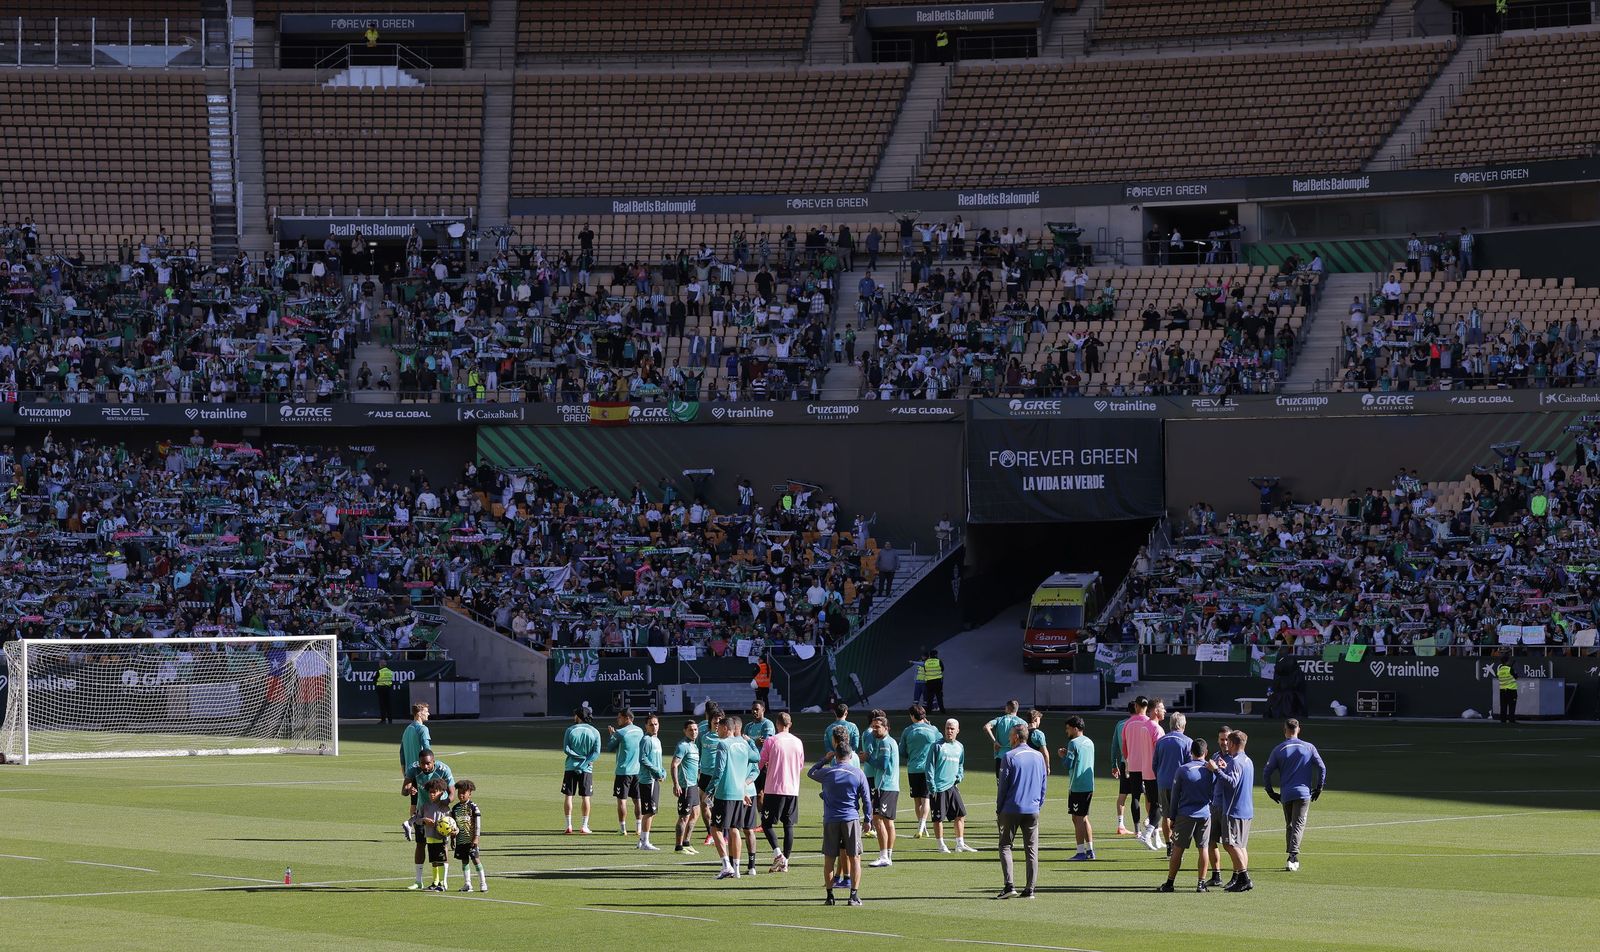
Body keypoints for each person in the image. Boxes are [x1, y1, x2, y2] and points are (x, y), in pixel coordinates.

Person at [809, 728, 872, 907]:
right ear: (850, 755)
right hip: (851, 819)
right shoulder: (858, 773)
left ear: (835, 756)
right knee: (855, 857)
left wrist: (824, 759)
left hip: (831, 819)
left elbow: (811, 772)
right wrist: (868, 819)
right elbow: (867, 799)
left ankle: (830, 897)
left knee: (829, 859)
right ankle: (853, 896)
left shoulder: (828, 772)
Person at [1262, 718, 1327, 873]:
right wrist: (1319, 787)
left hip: (1286, 794)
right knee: (1298, 824)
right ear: (1299, 729)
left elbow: (1266, 772)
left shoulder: (1279, 749)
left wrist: (1270, 791)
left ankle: (1291, 855)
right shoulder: (1309, 747)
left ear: (1285, 730)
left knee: (1290, 824)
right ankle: (1293, 856)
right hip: (1304, 793)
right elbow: (1322, 767)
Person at [995, 723, 1046, 899]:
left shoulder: (1009, 756)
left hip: (1011, 808)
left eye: (1010, 735)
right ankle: (1030, 889)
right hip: (1032, 809)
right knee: (1032, 849)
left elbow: (1003, 787)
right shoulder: (1039, 756)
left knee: (1005, 845)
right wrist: (1038, 804)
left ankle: (1009, 886)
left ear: (1016, 737)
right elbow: (1043, 784)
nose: (1009, 738)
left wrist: (999, 809)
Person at [1158, 739, 1214, 893]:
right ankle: (1201, 883)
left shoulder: (1183, 770)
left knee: (1178, 849)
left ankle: (1170, 883)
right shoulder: (1210, 769)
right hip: (1204, 814)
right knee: (1203, 848)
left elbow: (1175, 796)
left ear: (1191, 752)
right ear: (1205, 752)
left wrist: (1172, 817)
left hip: (1185, 815)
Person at [708, 715, 758, 880]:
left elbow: (719, 770)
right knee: (735, 829)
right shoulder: (743, 743)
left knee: (715, 828)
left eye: (718, 728)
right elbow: (756, 758)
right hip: (739, 793)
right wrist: (751, 742)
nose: (717, 731)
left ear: (725, 728)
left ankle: (726, 865)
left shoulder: (723, 744)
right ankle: (736, 869)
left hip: (725, 792)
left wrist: (709, 790)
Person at [1207, 729, 1255, 891]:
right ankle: (1241, 878)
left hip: (1234, 809)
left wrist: (1216, 770)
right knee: (1239, 845)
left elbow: (1232, 783)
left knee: (1230, 844)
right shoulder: (1247, 760)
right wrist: (1224, 769)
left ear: (1233, 743)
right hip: (1245, 809)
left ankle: (1244, 878)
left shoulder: (1235, 761)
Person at [759, 711, 806, 872]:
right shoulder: (798, 742)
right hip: (792, 788)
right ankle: (786, 860)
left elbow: (760, 762)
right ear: (790, 724)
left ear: (777, 724)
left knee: (766, 823)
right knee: (788, 825)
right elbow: (800, 765)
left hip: (774, 788)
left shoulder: (771, 740)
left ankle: (778, 855)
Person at [404, 750, 454, 889]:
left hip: (440, 816)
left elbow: (452, 793)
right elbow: (404, 790)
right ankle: (419, 881)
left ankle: (443, 881)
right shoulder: (413, 768)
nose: (425, 767)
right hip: (423, 811)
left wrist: (443, 804)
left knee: (441, 848)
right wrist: (409, 789)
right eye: (422, 764)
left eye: (428, 763)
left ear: (433, 761)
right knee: (421, 845)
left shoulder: (443, 769)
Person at [927, 718, 978, 852]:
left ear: (957, 731)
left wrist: (959, 776)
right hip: (938, 788)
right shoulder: (937, 746)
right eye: (947, 728)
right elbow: (929, 767)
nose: (949, 731)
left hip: (952, 787)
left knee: (960, 814)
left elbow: (960, 764)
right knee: (938, 818)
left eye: (952, 729)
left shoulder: (960, 747)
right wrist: (932, 786)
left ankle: (960, 844)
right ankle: (941, 845)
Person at [1121, 696, 1164, 850]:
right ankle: (1151, 833)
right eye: (1162, 708)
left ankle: (1142, 832)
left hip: (1138, 766)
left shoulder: (1131, 724)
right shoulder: (1153, 726)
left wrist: (1128, 760)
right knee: (1156, 803)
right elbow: (1159, 750)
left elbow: (1124, 746)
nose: (1164, 711)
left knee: (1140, 798)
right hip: (1151, 769)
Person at [1152, 711, 1191, 860]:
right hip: (1180, 785)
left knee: (1166, 815)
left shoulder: (1161, 741)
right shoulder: (1187, 742)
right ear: (1183, 725)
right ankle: (1177, 847)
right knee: (1180, 816)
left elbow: (1154, 764)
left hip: (1163, 783)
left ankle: (1169, 847)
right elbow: (1190, 765)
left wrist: (1160, 777)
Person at [900, 704, 941, 839]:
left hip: (913, 769)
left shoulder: (907, 731)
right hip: (928, 769)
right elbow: (941, 742)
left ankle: (921, 827)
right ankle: (922, 826)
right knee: (926, 799)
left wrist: (912, 754)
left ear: (912, 716)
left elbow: (902, 751)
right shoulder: (933, 730)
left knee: (917, 800)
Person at [1058, 716, 1096, 861]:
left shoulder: (1073, 743)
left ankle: (1080, 852)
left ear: (1075, 728)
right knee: (1082, 817)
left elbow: (1068, 764)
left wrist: (1062, 755)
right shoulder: (1089, 742)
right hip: (1089, 784)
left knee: (1078, 818)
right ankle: (1090, 850)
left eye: (1068, 728)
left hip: (1078, 785)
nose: (1066, 731)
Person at [865, 713, 900, 867]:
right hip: (890, 786)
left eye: (877, 727)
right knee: (888, 821)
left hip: (884, 786)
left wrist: (868, 759)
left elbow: (883, 765)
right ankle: (888, 856)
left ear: (886, 728)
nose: (874, 729)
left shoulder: (885, 742)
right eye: (873, 727)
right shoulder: (888, 741)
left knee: (877, 819)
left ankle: (884, 856)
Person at [561, 707, 601, 834]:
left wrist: (578, 757)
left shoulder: (570, 730)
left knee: (569, 796)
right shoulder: (595, 732)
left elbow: (566, 749)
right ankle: (584, 826)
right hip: (586, 768)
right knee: (586, 797)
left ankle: (568, 825)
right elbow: (596, 753)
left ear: (578, 716)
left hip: (571, 767)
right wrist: (585, 761)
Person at [606, 709, 645, 837]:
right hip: (637, 771)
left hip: (623, 772)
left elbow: (610, 747)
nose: (618, 719)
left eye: (619, 717)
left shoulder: (620, 732)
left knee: (622, 801)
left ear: (627, 718)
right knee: (637, 800)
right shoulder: (640, 731)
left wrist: (612, 735)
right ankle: (638, 828)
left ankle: (623, 829)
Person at [398, 703, 433, 839]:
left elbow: (401, 753)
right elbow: (427, 750)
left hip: (410, 771)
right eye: (426, 711)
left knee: (414, 801)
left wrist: (406, 774)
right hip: (422, 770)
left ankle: (412, 825)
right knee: (429, 800)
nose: (428, 714)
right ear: (419, 713)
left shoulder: (407, 729)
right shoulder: (423, 729)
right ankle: (414, 824)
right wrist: (431, 767)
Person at [450, 779, 488, 893]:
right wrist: (452, 838)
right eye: (459, 792)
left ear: (470, 794)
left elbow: (477, 823)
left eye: (464, 793)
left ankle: (483, 883)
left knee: (475, 859)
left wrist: (476, 837)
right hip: (461, 840)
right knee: (464, 860)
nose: (461, 795)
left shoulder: (473, 807)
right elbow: (453, 824)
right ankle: (468, 884)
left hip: (471, 840)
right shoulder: (455, 808)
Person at [671, 719, 701, 854]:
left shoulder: (694, 746)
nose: (693, 732)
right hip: (686, 786)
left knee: (695, 814)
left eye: (695, 729)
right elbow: (674, 765)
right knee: (684, 817)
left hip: (694, 785)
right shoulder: (682, 746)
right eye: (690, 730)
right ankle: (678, 847)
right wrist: (676, 784)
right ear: (685, 731)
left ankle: (686, 842)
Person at [417, 778, 453, 891]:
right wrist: (424, 820)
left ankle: (443, 883)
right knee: (433, 861)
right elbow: (417, 819)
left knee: (441, 860)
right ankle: (435, 882)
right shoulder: (425, 806)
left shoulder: (444, 808)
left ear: (441, 793)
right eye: (430, 792)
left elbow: (451, 822)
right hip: (429, 837)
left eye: (434, 792)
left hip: (440, 838)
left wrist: (453, 831)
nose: (432, 794)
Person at [636, 714, 665, 851]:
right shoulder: (646, 740)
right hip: (648, 780)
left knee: (650, 811)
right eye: (651, 724)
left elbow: (657, 760)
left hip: (654, 779)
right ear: (646, 726)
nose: (654, 727)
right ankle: (645, 842)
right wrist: (657, 771)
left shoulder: (657, 740)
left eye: (656, 724)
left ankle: (642, 841)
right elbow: (643, 759)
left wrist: (662, 771)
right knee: (650, 811)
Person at [1110, 700, 1138, 836]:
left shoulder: (1120, 724)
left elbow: (1114, 746)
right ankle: (1151, 824)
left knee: (1123, 794)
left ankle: (1120, 825)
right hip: (1139, 764)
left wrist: (1113, 765)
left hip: (1124, 762)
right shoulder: (1141, 723)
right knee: (1147, 795)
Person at [984, 700, 1026, 776]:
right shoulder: (1022, 722)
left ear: (1007, 708)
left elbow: (986, 727)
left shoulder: (999, 719)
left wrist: (995, 741)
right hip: (1016, 756)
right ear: (1017, 709)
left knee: (1000, 782)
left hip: (1001, 756)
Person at [1496, 655, 1519, 724]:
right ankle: (1511, 720)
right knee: (1512, 706)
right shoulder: (1510, 669)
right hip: (1511, 690)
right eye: (1509, 660)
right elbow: (1516, 677)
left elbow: (1498, 676)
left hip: (1502, 690)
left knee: (1503, 706)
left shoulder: (1500, 669)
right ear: (1507, 661)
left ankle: (1503, 720)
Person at [375, 660, 397, 724]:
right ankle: (390, 720)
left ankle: (383, 720)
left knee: (382, 705)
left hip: (381, 689)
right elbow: (391, 680)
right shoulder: (390, 671)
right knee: (388, 705)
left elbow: (374, 679)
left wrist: (376, 687)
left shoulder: (379, 671)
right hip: (388, 689)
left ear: (380, 665)